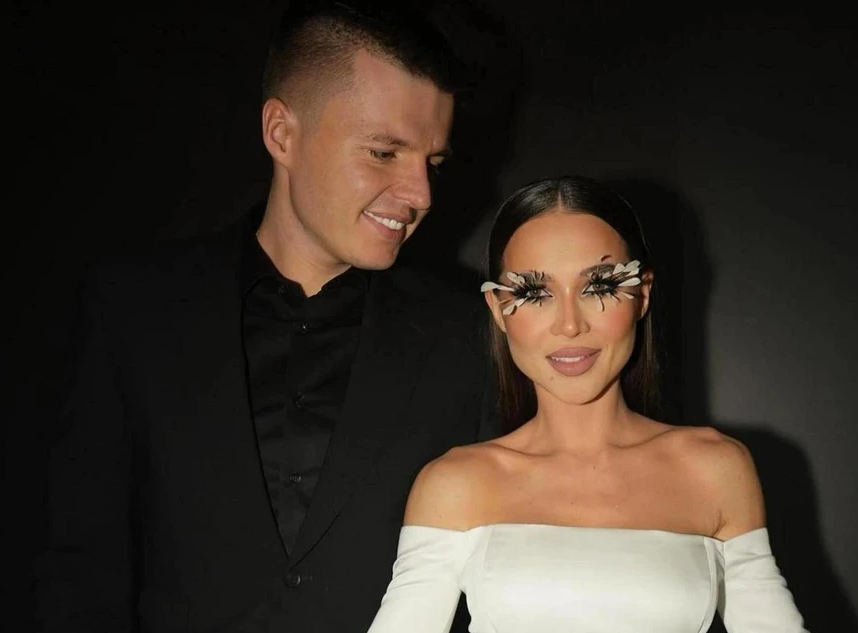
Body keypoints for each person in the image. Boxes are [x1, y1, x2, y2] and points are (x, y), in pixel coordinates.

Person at [35, 1, 498, 631]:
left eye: (432, 164)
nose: (421, 194)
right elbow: (78, 572)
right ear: (281, 133)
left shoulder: (469, 332)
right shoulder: (132, 311)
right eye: (384, 152)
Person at [366, 175, 807, 632]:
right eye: (534, 293)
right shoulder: (456, 484)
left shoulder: (715, 469)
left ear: (642, 295)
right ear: (498, 310)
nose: (569, 324)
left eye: (599, 287)